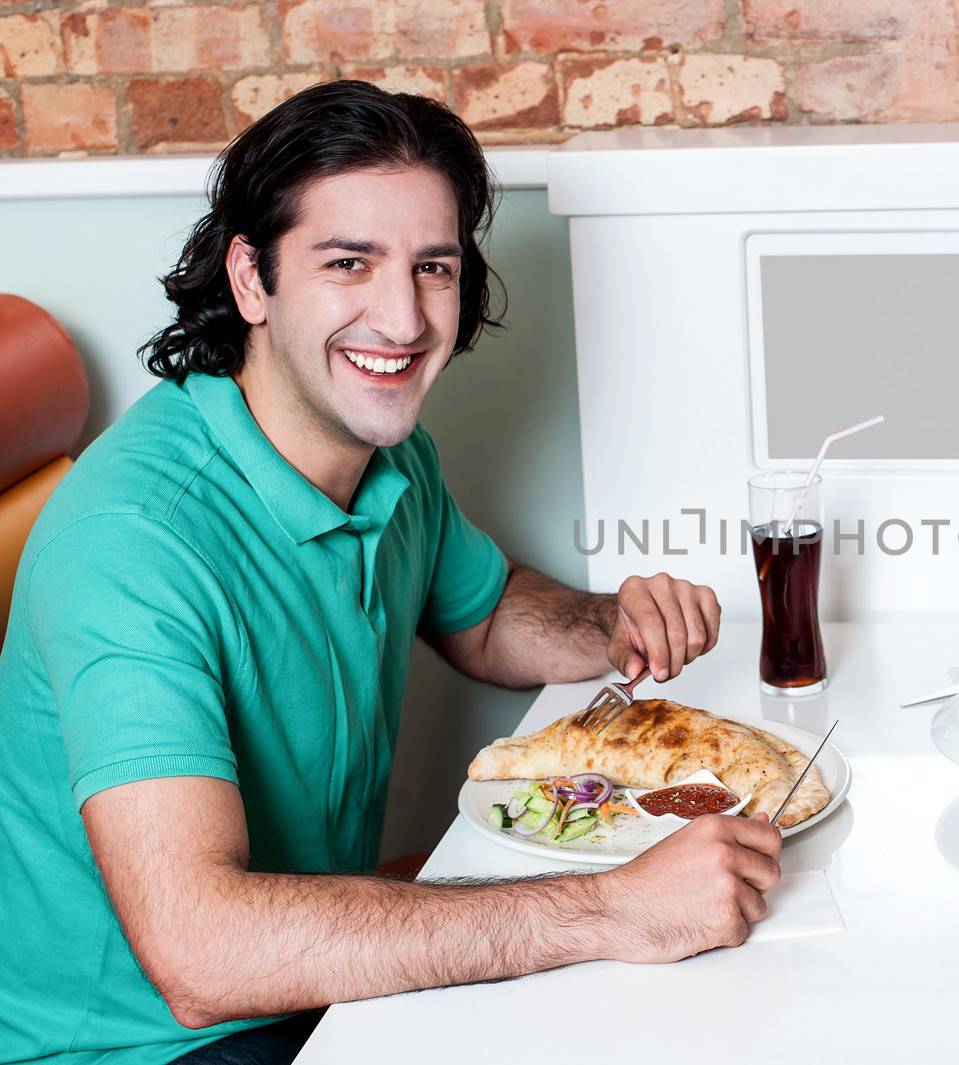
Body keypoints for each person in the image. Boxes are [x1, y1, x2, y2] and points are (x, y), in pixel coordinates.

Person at [0, 80, 781, 1065]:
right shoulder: (135, 542)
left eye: (433, 268)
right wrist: (611, 911)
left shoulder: (384, 452)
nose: (403, 320)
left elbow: (485, 614)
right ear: (251, 280)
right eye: (348, 263)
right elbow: (200, 955)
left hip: (315, 984)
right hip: (153, 1044)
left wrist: (611, 624)